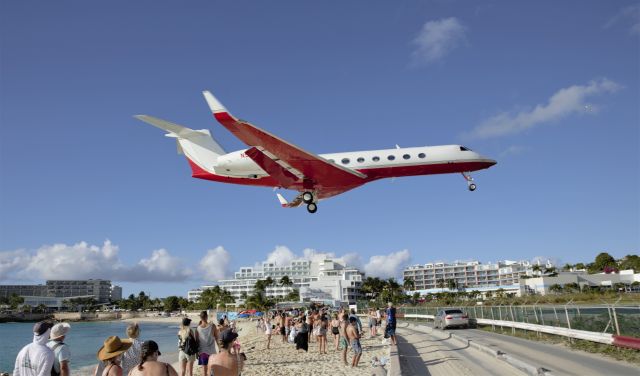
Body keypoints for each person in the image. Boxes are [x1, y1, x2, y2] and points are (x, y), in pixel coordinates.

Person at [196, 311, 219, 376]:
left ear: (200, 318)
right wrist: (220, 349)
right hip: (212, 352)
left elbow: (197, 342)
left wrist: (197, 353)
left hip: (202, 352)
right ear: (207, 317)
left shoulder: (197, 329)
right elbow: (217, 338)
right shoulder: (213, 326)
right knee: (212, 370)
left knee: (204, 371)